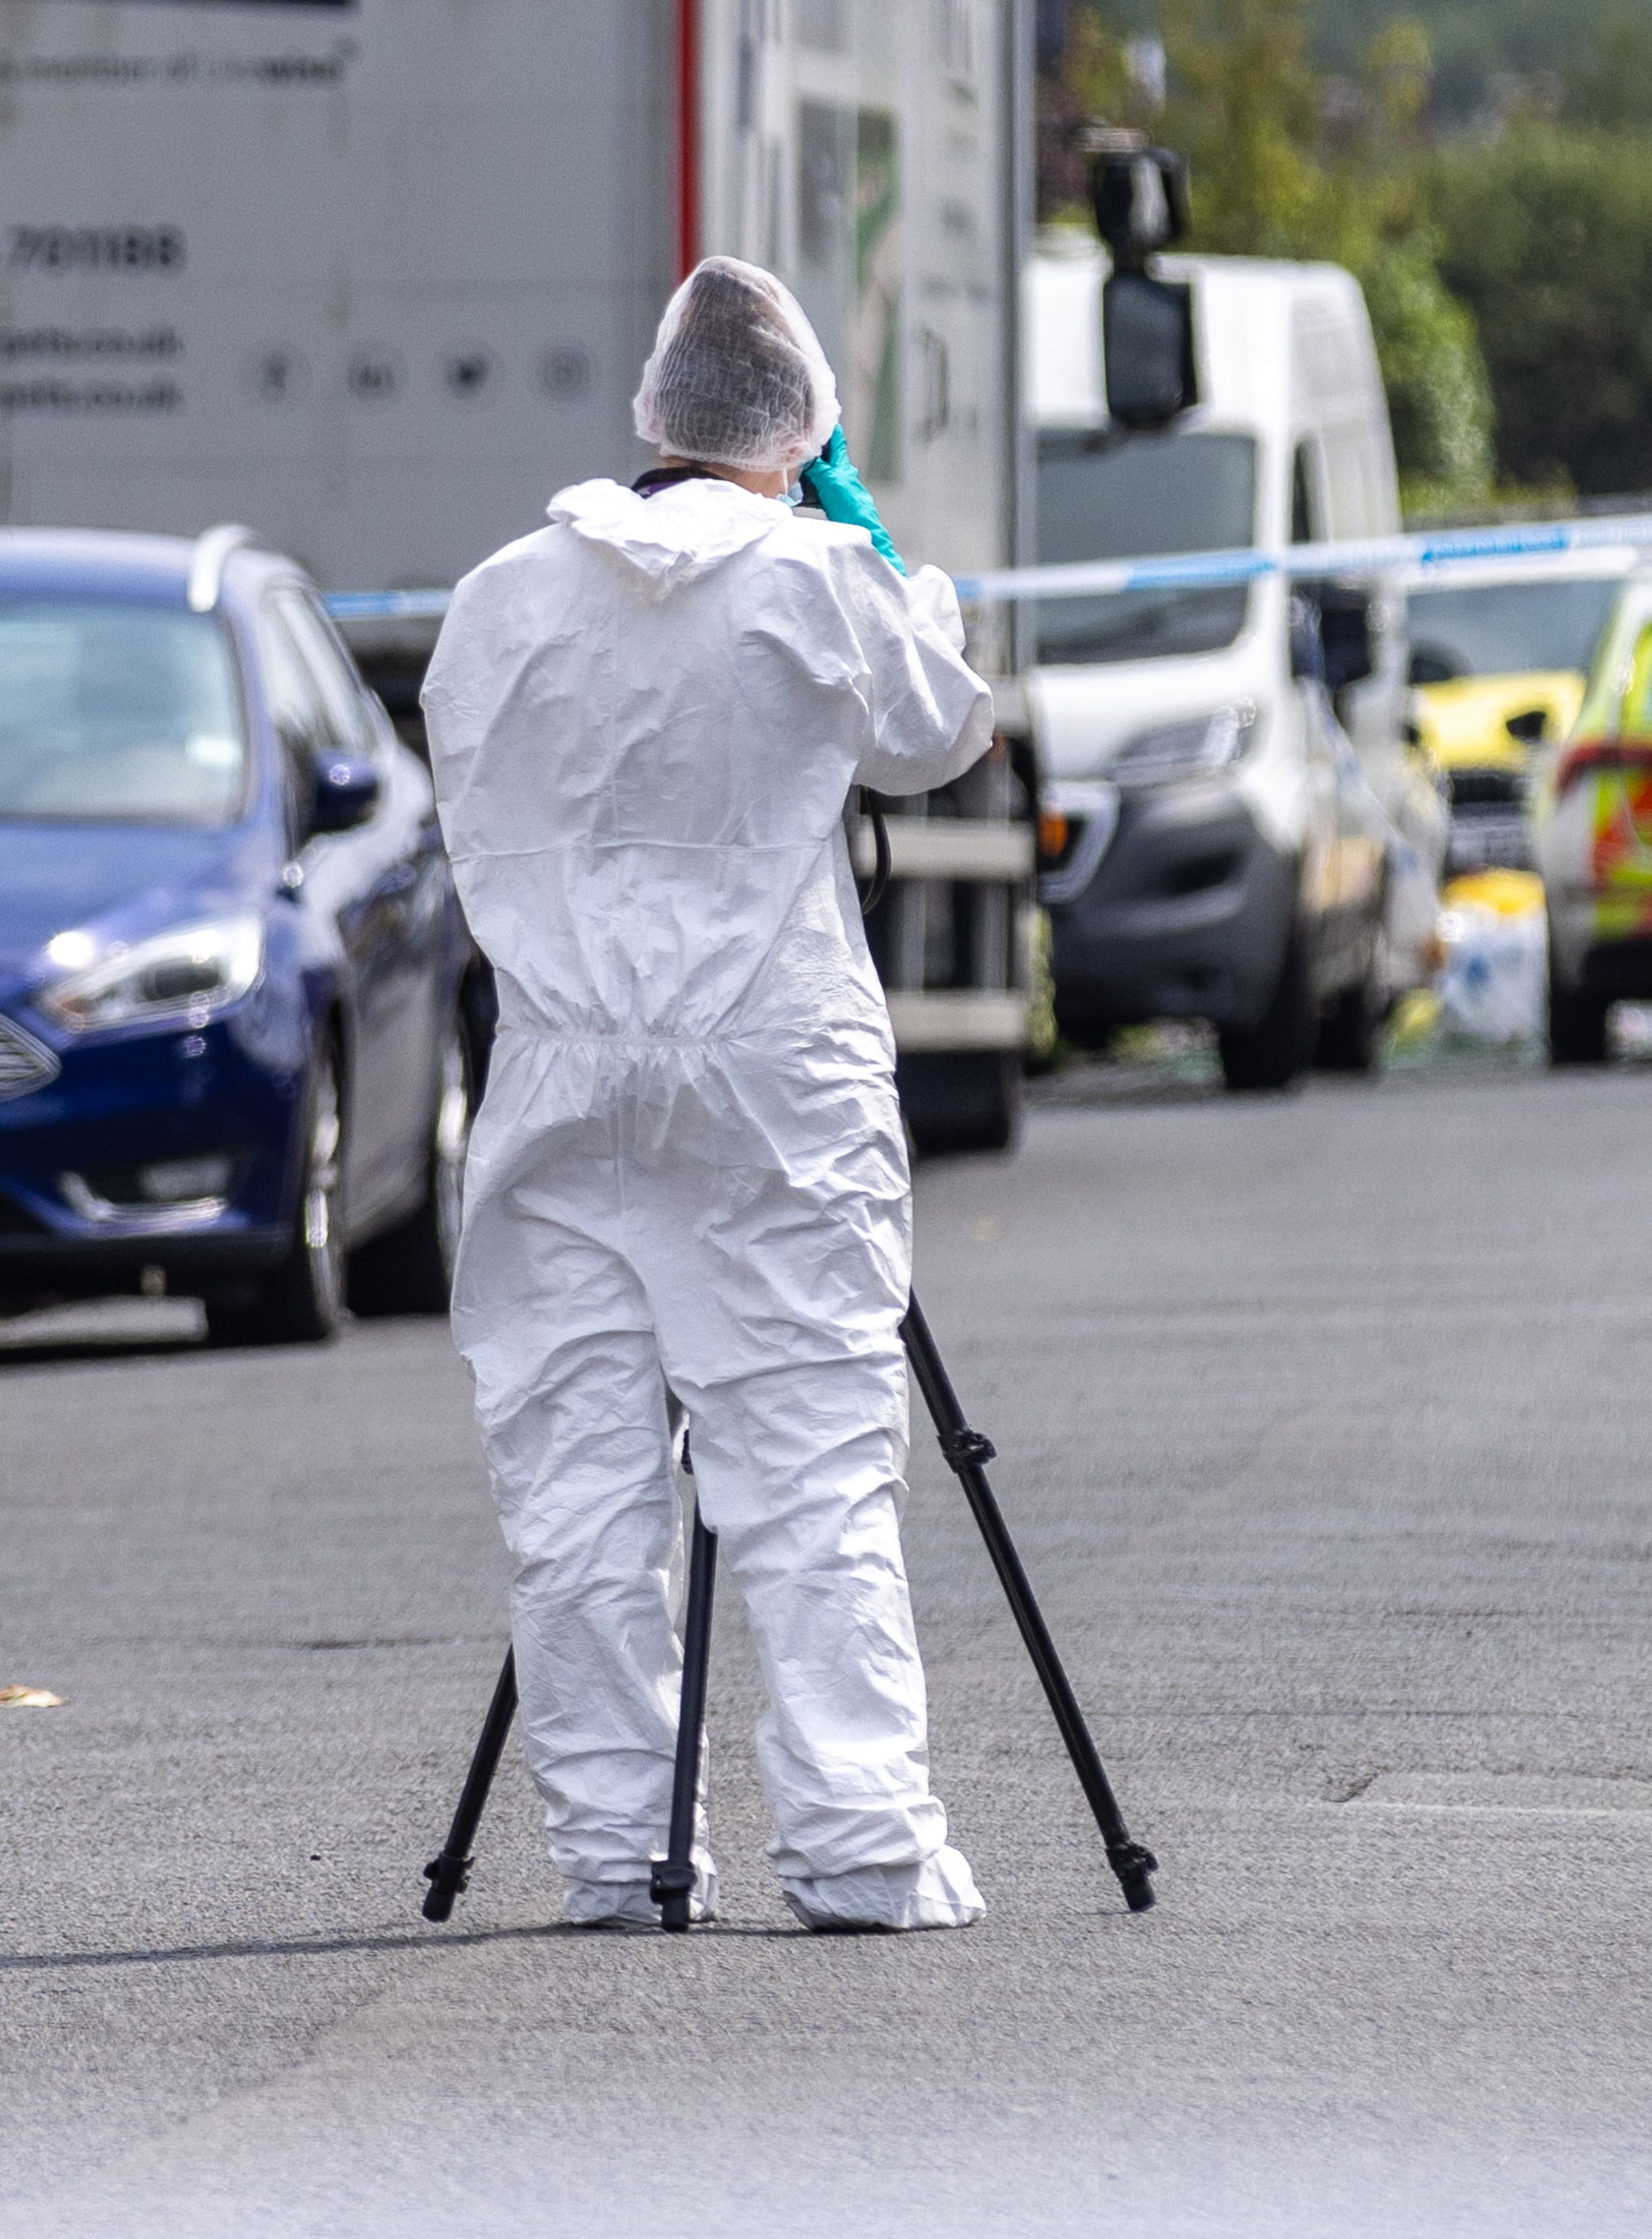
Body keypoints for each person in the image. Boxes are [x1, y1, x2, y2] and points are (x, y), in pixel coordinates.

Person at [420, 258, 998, 1931]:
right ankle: (864, 1847)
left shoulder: (498, 599)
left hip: (559, 1075)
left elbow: (471, 790)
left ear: (647, 420)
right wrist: (885, 558)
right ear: (803, 434)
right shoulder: (819, 582)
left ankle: (612, 1855)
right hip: (770, 1072)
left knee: (577, 1478)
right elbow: (939, 735)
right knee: (810, 1459)